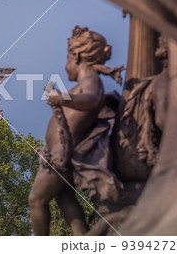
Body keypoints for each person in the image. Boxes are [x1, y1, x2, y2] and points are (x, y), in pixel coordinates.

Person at [29, 26, 124, 235]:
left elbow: (91, 100)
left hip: (60, 156)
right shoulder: (88, 80)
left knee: (36, 200)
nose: (65, 66)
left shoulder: (90, 80)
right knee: (65, 200)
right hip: (60, 153)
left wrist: (63, 97)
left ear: (77, 56)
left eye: (67, 58)